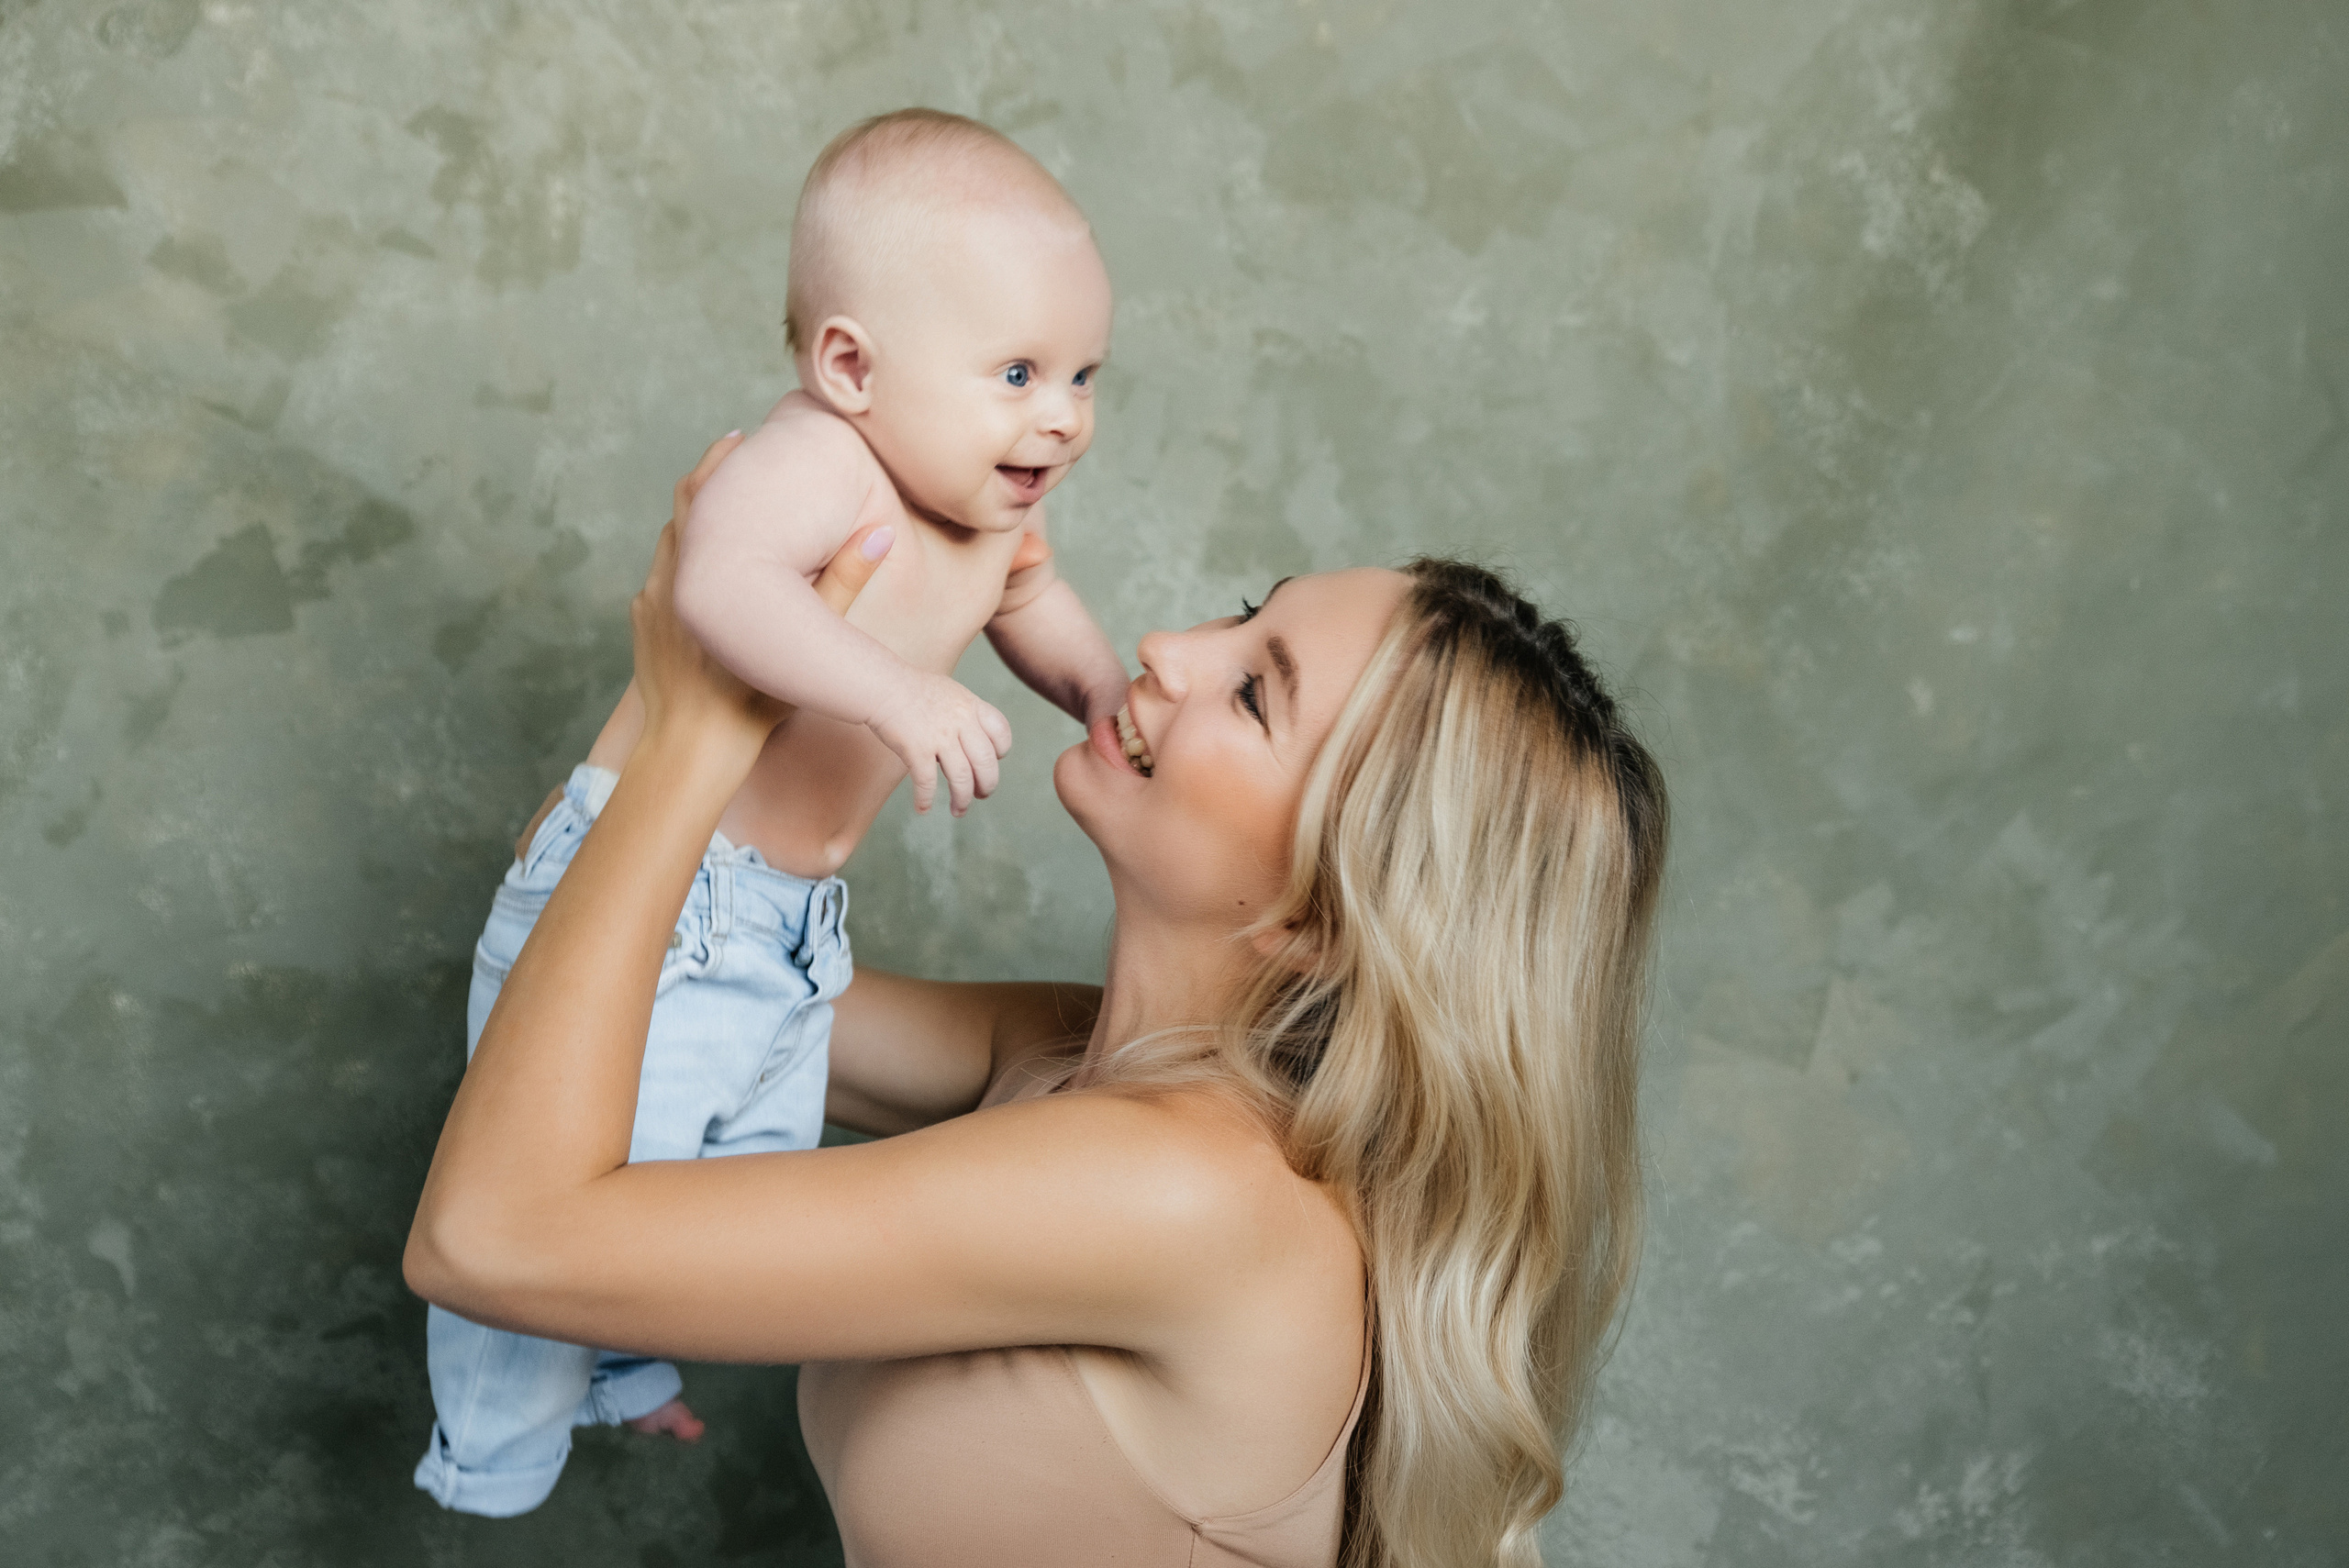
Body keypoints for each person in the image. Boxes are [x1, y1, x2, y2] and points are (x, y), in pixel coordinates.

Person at [406, 437, 1670, 1567]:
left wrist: (693, 738)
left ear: (1318, 919)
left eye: (1253, 692)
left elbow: (491, 1238)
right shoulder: (1078, 1061)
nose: (1169, 649)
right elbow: (629, 991)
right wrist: (762, 621)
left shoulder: (1185, 1190)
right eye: (1244, 616)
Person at [412, 107, 1130, 1516]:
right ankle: (488, 1455)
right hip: (661, 891)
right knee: (569, 1181)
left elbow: (1036, 600)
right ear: (851, 367)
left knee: (708, 1186)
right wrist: (898, 693)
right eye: (1017, 372)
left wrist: (1098, 691)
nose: (1061, 414)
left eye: (1084, 374)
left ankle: (620, 1361)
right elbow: (719, 587)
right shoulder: (823, 460)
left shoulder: (995, 508)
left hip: (789, 922)